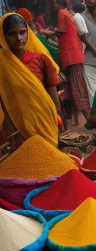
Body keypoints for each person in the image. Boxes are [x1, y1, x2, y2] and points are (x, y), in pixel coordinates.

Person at [0, 13, 61, 150]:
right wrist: (9, 127)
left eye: (22, 32)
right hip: (16, 126)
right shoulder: (2, 63)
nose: (18, 38)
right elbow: (2, 99)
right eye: (12, 34)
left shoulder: (41, 59)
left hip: (44, 120)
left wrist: (56, 118)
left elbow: (52, 94)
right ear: (3, 36)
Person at [52, 0, 91, 126]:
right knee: (73, 87)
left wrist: (49, 32)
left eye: (54, 3)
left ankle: (89, 121)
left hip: (71, 55)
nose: (53, 6)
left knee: (77, 88)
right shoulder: (67, 13)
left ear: (59, 4)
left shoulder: (61, 13)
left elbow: (61, 31)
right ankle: (76, 120)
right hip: (72, 54)